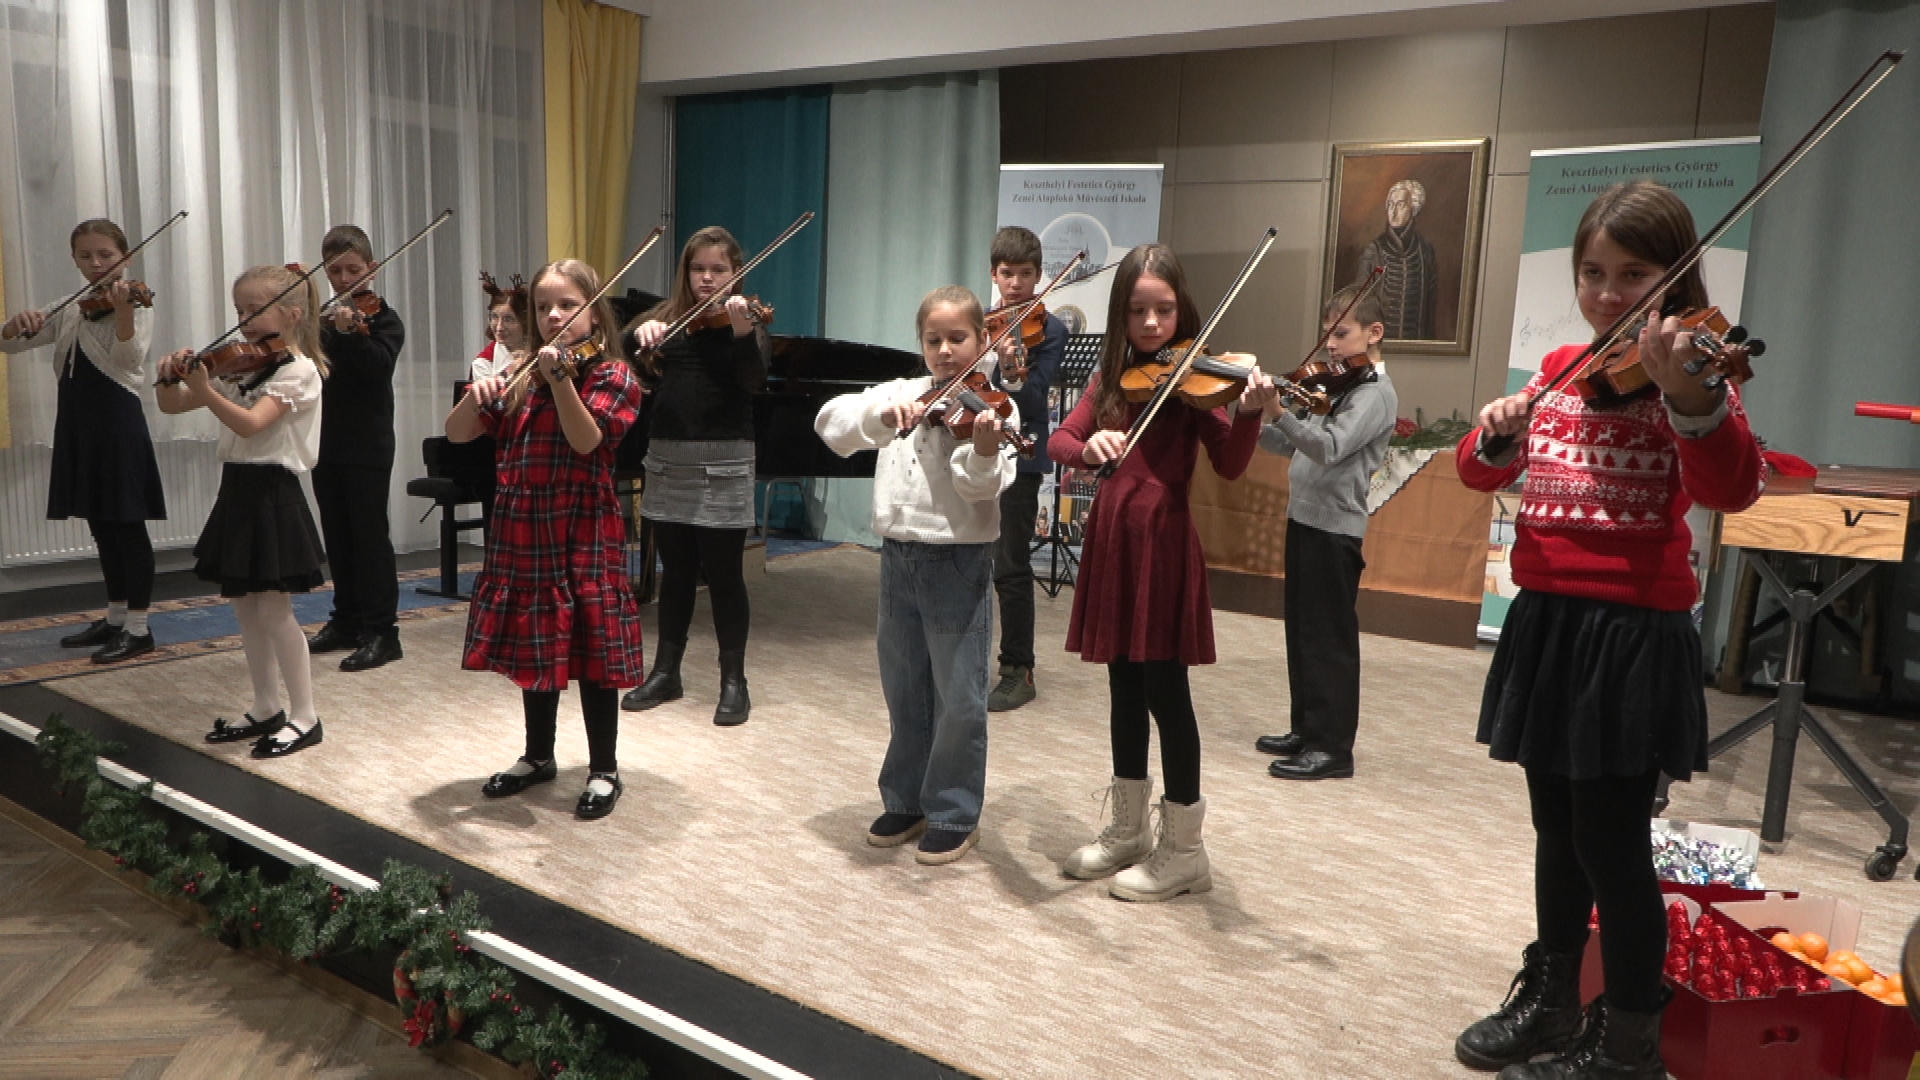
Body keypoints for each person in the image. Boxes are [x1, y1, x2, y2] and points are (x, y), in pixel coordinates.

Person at [1451, 181, 1765, 1080]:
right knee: (1555, 828)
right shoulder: (1560, 366)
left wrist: (1688, 398)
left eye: (1633, 274)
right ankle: (1554, 999)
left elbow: (1733, 488)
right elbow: (1476, 472)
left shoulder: (1693, 373)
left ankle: (1629, 1046)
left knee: (1611, 842)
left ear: (1677, 276)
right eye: (1592, 272)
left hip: (1630, 636)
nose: (1607, 292)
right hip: (1547, 622)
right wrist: (1499, 430)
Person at [1048, 244, 1263, 902]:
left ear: (1181, 310)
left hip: (1162, 547)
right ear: (1121, 313)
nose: (1150, 323)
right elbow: (1060, 440)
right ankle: (1128, 831)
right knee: (1122, 689)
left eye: (1164, 310)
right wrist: (1089, 446)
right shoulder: (1112, 379)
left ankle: (1186, 851)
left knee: (1168, 696)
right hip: (1114, 543)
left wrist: (1250, 410)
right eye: (1138, 310)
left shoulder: (1197, 382)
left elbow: (1230, 464)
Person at [814, 284, 1013, 866]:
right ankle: (905, 799)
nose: (945, 351)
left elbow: (981, 489)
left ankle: (953, 810)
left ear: (982, 340)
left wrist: (982, 450)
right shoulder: (903, 391)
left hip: (957, 559)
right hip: (897, 555)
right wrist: (878, 416)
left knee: (959, 693)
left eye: (958, 338)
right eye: (933, 340)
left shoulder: (995, 406)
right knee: (904, 686)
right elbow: (830, 423)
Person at [448, 259, 645, 820]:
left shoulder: (612, 375)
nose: (553, 315)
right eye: (542, 307)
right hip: (524, 525)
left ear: (594, 314)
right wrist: (478, 393)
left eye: (567, 305)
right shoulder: (520, 374)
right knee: (537, 639)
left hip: (582, 525)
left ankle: (604, 768)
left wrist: (559, 378)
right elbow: (457, 433)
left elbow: (585, 440)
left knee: (592, 645)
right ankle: (538, 756)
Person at [156, 264, 330, 759]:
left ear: (292, 314)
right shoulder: (246, 366)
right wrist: (167, 377)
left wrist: (205, 388)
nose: (244, 321)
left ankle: (305, 716)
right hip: (236, 490)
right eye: (239, 311)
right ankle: (265, 704)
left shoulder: (299, 372)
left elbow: (252, 424)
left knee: (274, 610)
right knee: (245, 608)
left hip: (273, 493)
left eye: (255, 310)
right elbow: (172, 406)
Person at [1243, 285, 1397, 780]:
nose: (1330, 343)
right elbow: (1292, 445)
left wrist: (1280, 412)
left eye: (1342, 332)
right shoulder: (1336, 386)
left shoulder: (1373, 394)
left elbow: (1328, 448)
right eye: (1327, 332)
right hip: (1304, 519)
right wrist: (1251, 414)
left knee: (1329, 639)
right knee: (1302, 632)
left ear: (1373, 333)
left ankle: (1332, 749)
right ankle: (1307, 730)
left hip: (1335, 530)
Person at [619, 227, 770, 726]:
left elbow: (753, 381)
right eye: (698, 268)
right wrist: (638, 337)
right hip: (668, 459)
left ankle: (734, 682)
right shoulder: (667, 320)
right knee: (676, 573)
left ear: (736, 274)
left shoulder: (746, 322)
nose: (707, 278)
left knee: (724, 576)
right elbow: (622, 353)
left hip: (724, 460)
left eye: (719, 269)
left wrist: (742, 332)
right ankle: (666, 672)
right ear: (685, 272)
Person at [1, 219, 166, 664]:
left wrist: (124, 314)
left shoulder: (137, 303)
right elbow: (10, 346)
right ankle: (115, 618)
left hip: (117, 423)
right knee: (101, 523)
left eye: (106, 255)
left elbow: (129, 359)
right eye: (86, 255)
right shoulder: (71, 306)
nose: (96, 263)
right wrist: (15, 325)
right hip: (78, 424)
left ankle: (139, 628)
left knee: (127, 524)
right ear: (74, 259)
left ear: (125, 257)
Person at [306, 224, 406, 672]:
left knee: (369, 539)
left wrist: (352, 334)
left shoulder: (384, 320)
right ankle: (346, 619)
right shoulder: (322, 320)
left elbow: (377, 368)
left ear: (372, 268)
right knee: (338, 536)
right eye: (335, 271)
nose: (344, 279)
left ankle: (384, 632)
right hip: (325, 441)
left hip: (368, 443)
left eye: (352, 269)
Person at [984, 225, 1068, 713]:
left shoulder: (1049, 330)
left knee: (1010, 565)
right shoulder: (979, 321)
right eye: (1006, 273)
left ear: (1039, 276)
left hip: (1021, 455)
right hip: (971, 452)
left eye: (1025, 274)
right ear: (993, 274)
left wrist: (1011, 370)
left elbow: (1035, 400)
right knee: (966, 561)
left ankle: (1019, 669)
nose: (1015, 284)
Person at [1357, 179, 1439, 340]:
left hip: (1416, 349)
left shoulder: (1426, 251)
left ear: (1413, 209)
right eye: (1390, 205)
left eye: (1400, 205)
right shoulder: (1373, 251)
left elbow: (1429, 311)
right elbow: (1360, 306)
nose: (1393, 212)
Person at [472, 272, 530, 381]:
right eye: (494, 317)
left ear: (524, 321)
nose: (499, 328)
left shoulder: (540, 350)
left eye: (508, 319)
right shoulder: (483, 364)